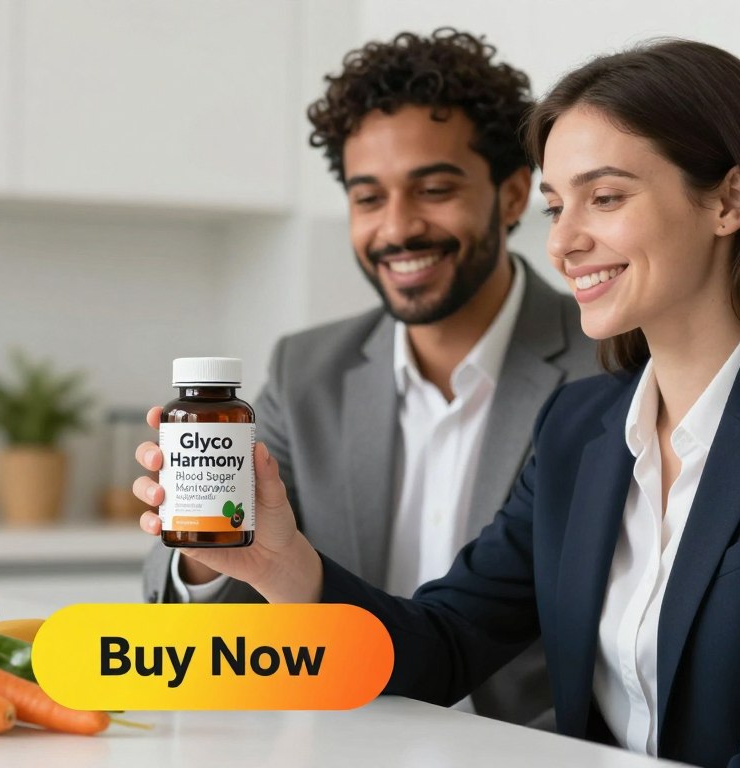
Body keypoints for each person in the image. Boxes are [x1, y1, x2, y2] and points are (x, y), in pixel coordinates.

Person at [134, 38, 740, 768]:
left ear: (729, 200)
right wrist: (282, 565)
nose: (564, 242)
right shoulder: (581, 428)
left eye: (605, 198)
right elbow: (446, 645)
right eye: (558, 207)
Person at [140, 28, 598, 730]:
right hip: (341, 737)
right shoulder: (305, 371)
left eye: (434, 189)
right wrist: (207, 550)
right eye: (368, 198)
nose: (397, 229)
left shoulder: (608, 364)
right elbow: (227, 615)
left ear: (512, 196)